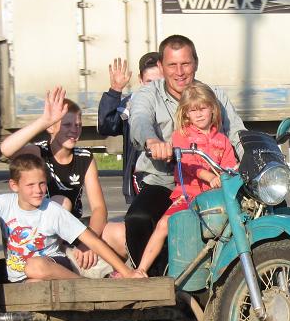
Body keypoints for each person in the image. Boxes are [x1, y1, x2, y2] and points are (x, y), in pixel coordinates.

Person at [125, 34, 246, 274]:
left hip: (213, 183)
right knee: (138, 219)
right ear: (161, 66)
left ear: (196, 63)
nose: (179, 72)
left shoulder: (214, 96)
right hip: (166, 181)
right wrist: (152, 141)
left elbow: (237, 134)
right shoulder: (149, 94)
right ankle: (155, 285)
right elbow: (139, 120)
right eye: (172, 65)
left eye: (185, 64)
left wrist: (256, 155)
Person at [0, 154, 142, 282]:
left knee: (35, 267)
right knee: (33, 282)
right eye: (30, 185)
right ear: (14, 185)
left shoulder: (52, 210)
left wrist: (127, 272)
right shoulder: (2, 203)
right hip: (21, 276)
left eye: (42, 184)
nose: (38, 190)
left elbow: (92, 241)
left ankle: (83, 285)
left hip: (53, 264)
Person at [0, 86, 125, 273]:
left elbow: (99, 209)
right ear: (51, 128)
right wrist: (43, 120)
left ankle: (118, 275)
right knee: (60, 203)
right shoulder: (39, 152)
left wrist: (90, 241)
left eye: (78, 125)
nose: (74, 130)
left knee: (121, 233)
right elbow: (6, 149)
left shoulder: (85, 157)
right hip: (43, 234)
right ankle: (58, 261)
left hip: (74, 229)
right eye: (67, 125)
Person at [135, 83, 238, 275]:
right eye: (193, 110)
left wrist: (232, 172)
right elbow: (188, 163)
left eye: (203, 108)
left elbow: (229, 165)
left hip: (215, 196)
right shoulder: (181, 135)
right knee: (164, 225)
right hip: (189, 195)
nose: (199, 114)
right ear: (186, 113)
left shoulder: (222, 139)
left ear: (213, 109)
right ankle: (141, 269)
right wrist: (209, 176)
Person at [97, 53, 163, 205]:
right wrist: (114, 91)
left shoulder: (177, 103)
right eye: (149, 82)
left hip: (169, 180)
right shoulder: (130, 104)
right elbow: (107, 126)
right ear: (140, 80)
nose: (154, 88)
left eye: (160, 82)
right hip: (139, 178)